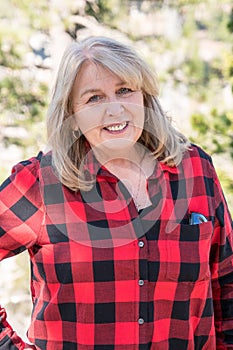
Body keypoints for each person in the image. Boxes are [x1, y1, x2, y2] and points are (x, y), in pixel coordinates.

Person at [0, 36, 232, 350]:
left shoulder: (196, 169)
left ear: (144, 96)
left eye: (124, 90)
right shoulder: (41, 183)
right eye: (94, 98)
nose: (114, 109)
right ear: (72, 111)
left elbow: (226, 286)